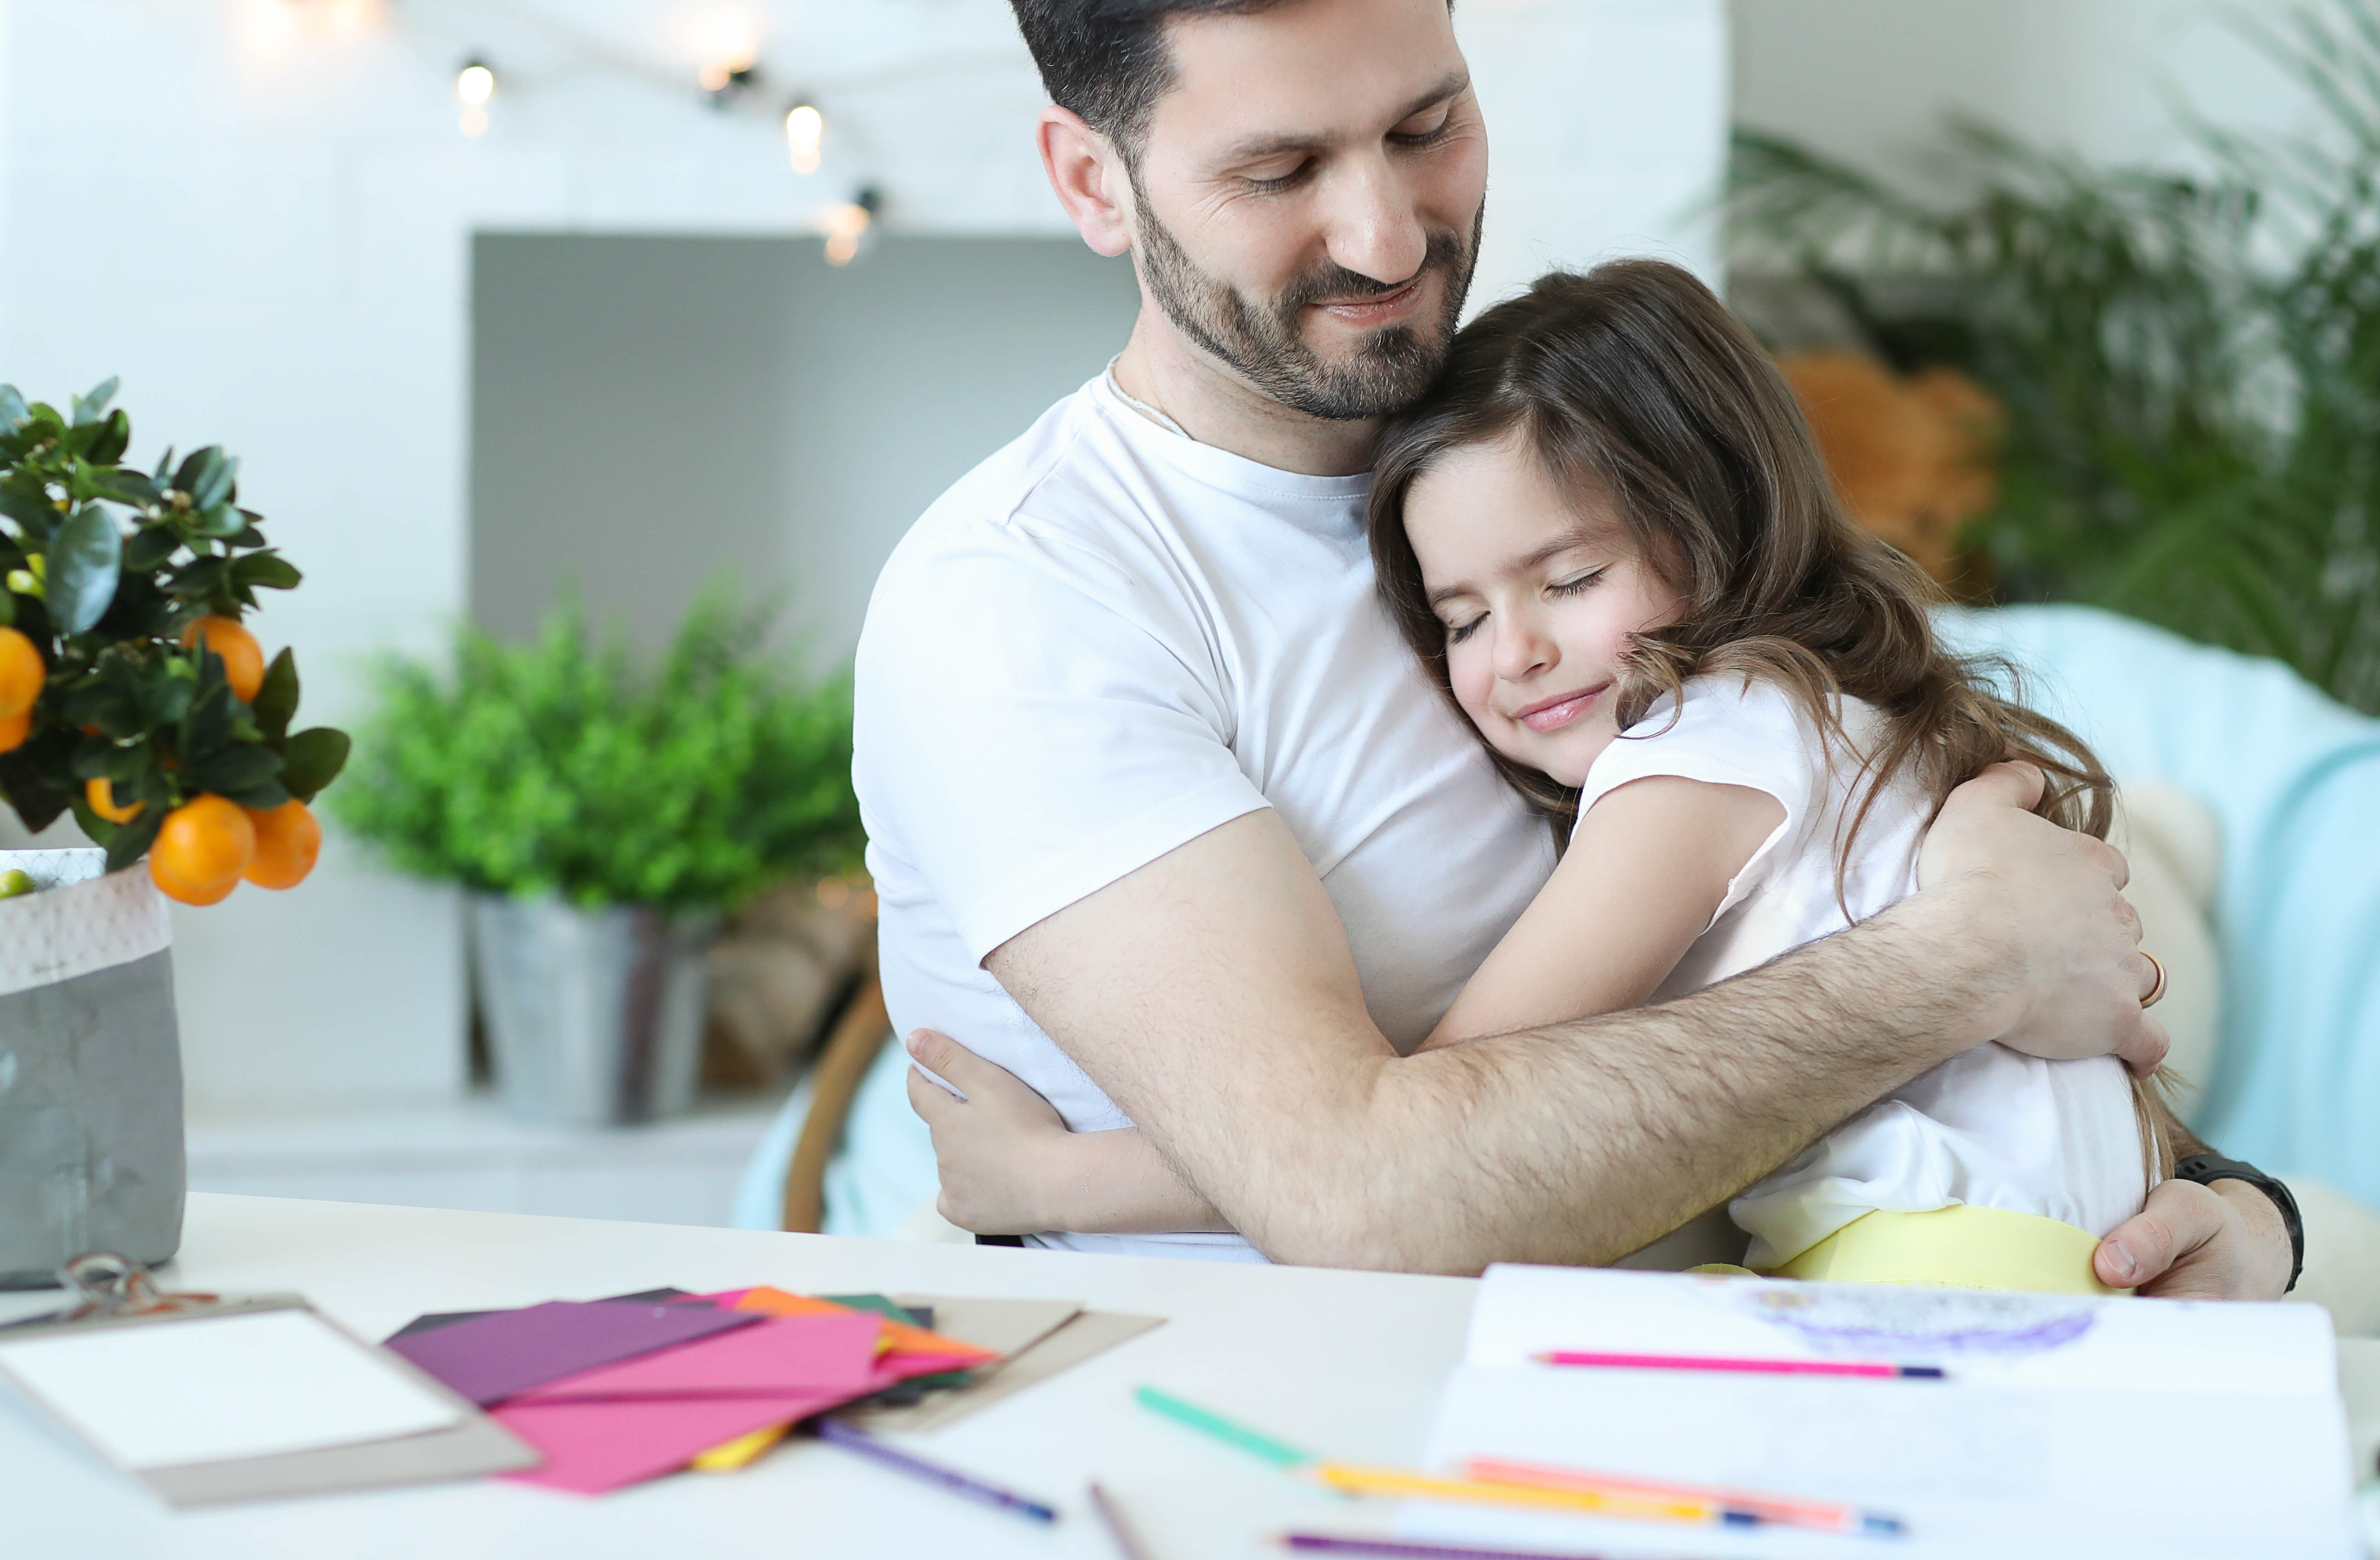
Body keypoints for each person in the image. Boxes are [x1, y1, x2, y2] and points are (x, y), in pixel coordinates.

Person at [853, 0, 2296, 1292]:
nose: (1389, 237)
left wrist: (2239, 1218)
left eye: (1428, 126)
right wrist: (1957, 967)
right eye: (1281, 171)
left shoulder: (1545, 468)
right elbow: (1356, 1200)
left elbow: (1879, 969)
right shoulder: (1028, 600)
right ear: (1092, 181)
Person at [906, 259, 2195, 1296]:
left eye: (1571, 582)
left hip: (1936, 1268)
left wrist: (1049, 1186)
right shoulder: (1834, 717)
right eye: (1459, 619)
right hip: (2040, 1257)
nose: (1513, 653)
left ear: (1717, 521)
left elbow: (1441, 1134)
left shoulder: (1706, 751)